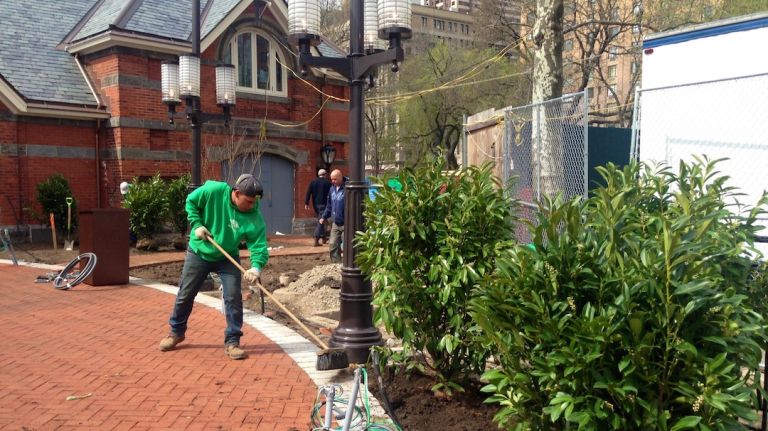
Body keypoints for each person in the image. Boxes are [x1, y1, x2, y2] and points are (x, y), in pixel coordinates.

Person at [159, 174, 268, 360]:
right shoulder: (214, 191)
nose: (252, 205)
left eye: (255, 202)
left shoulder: (254, 216)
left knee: (233, 297)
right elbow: (191, 201)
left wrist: (255, 267)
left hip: (227, 257)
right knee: (186, 294)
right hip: (199, 252)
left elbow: (258, 245)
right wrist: (197, 224)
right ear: (236, 193)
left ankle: (232, 342)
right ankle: (176, 332)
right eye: (249, 201)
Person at [319, 169, 345, 263]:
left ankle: (347, 264)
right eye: (332, 179)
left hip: (346, 222)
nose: (333, 181)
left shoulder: (348, 188)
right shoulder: (332, 189)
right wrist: (324, 216)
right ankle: (336, 264)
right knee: (333, 243)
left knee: (346, 245)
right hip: (335, 222)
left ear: (340, 177)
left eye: (335, 179)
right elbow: (329, 205)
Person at [304, 168, 332, 246]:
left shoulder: (313, 182)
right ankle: (316, 238)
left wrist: (306, 203)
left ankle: (323, 238)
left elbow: (308, 192)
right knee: (321, 221)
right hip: (324, 205)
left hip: (316, 205)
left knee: (321, 219)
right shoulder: (328, 183)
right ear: (325, 175)